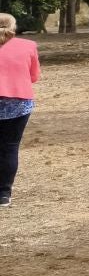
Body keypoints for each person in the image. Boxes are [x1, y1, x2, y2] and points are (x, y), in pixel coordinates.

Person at [0, 12, 42, 208]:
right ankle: (4, 193)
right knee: (9, 147)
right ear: (13, 27)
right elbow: (34, 76)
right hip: (18, 102)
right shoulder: (28, 46)